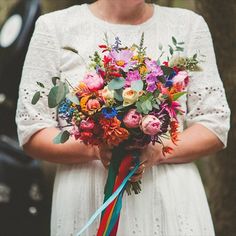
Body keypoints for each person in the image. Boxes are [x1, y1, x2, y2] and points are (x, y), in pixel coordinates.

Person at [16, 0, 230, 235]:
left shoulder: (188, 26)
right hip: (88, 196)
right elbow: (32, 130)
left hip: (169, 194)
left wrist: (157, 152)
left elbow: (214, 124)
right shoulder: (54, 27)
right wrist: (96, 150)